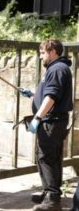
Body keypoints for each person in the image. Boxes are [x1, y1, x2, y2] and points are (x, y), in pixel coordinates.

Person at [20, 39, 73, 211]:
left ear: (52, 52)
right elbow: (48, 93)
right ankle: (51, 192)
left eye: (43, 52)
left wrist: (37, 118)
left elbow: (52, 97)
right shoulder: (57, 68)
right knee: (51, 157)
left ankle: (52, 200)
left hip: (52, 120)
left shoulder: (57, 69)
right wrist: (33, 95)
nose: (41, 56)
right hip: (54, 119)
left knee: (46, 158)